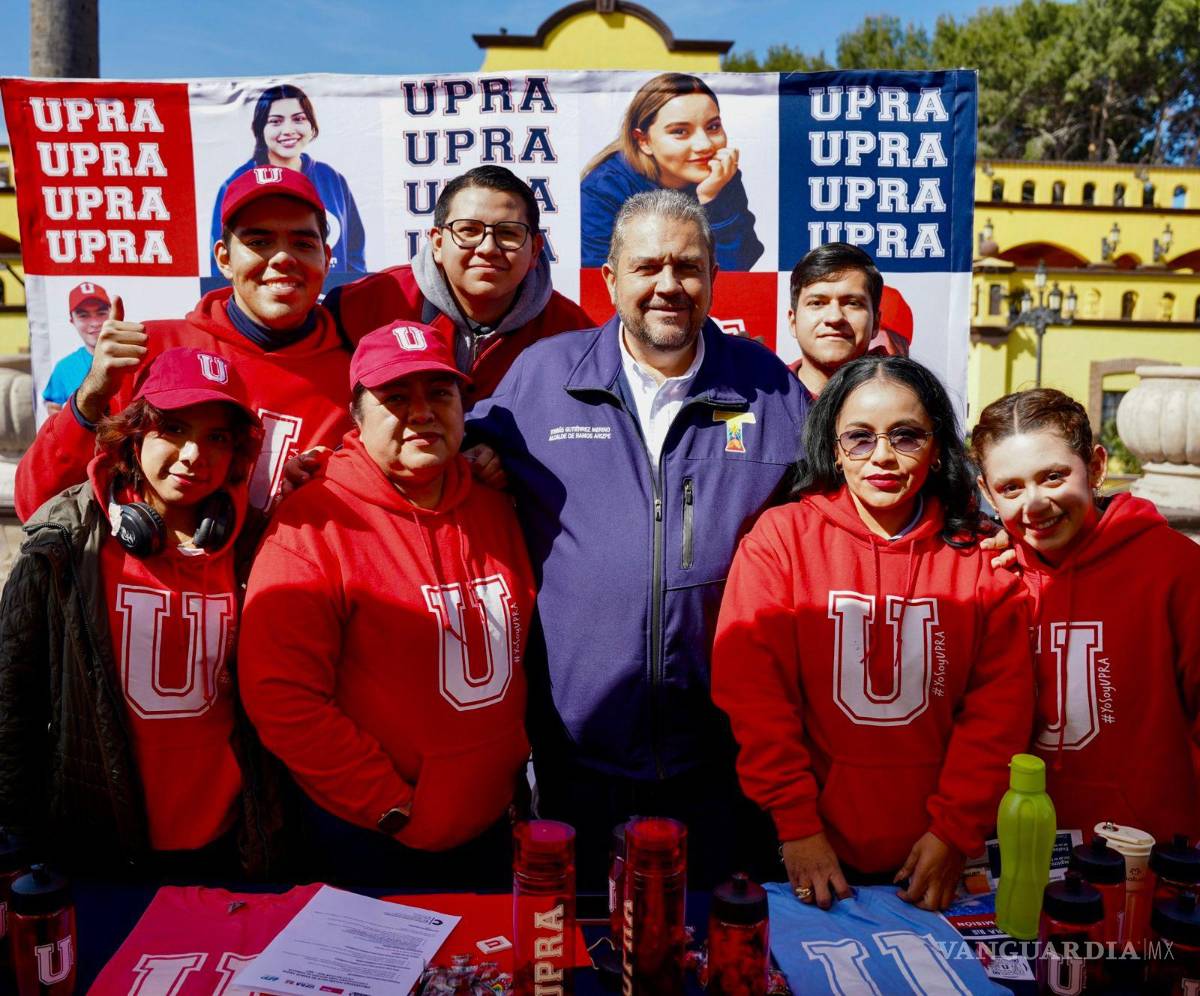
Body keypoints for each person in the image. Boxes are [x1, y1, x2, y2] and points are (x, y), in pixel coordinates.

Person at [468, 189, 808, 887]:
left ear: (713, 277)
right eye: (648, 266)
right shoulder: (542, 378)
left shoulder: (769, 387)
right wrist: (475, 456)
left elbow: (853, 489)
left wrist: (968, 529)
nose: (668, 286)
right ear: (610, 279)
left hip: (722, 762)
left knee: (708, 950)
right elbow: (439, 448)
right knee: (589, 954)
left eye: (688, 267)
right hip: (577, 761)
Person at [712, 355, 1034, 911]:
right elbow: (755, 697)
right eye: (859, 438)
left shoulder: (981, 555)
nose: (882, 456)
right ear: (834, 449)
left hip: (933, 855)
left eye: (906, 436)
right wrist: (796, 825)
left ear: (937, 448)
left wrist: (954, 829)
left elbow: (998, 712)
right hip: (805, 847)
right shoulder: (780, 540)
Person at [238, 321, 536, 888]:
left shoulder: (496, 507)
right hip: (372, 839)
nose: (422, 412)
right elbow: (280, 694)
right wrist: (389, 805)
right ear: (357, 414)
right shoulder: (313, 521)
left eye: (439, 393)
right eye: (395, 397)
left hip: (491, 829)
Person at [0, 348, 271, 875]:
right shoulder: (64, 535)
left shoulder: (257, 542)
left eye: (218, 437)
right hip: (98, 842)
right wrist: (17, 834)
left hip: (227, 843)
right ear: (135, 432)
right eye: (174, 428)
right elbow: (14, 697)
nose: (195, 454)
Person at [16, 167, 354, 521]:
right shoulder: (150, 349)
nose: (283, 257)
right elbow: (37, 506)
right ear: (224, 258)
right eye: (259, 242)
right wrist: (92, 396)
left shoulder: (358, 378)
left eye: (303, 243)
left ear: (325, 256)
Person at [972, 388, 1200, 843]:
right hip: (1013, 851)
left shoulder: (1174, 567)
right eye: (1011, 487)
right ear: (987, 494)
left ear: (1096, 467)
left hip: (1148, 854)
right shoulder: (989, 572)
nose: (1034, 504)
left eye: (1053, 477)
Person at [323, 165, 591, 402]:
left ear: (534, 250)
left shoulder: (573, 333)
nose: (487, 248)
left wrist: (508, 448)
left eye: (508, 233)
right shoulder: (363, 304)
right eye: (469, 231)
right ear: (438, 243)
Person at [581, 73, 763, 272]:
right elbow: (599, 283)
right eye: (680, 131)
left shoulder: (720, 176)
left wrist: (712, 200)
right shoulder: (603, 190)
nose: (705, 145)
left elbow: (737, 272)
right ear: (643, 141)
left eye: (713, 127)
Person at [210, 83, 366, 276]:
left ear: (311, 125)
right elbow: (218, 273)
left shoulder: (332, 179)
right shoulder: (234, 185)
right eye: (276, 121)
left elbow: (354, 254)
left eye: (299, 119)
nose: (288, 130)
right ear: (261, 128)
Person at [786, 243, 883, 400]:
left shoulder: (909, 398)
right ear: (793, 321)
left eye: (852, 303)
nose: (834, 317)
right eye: (817, 303)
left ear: (876, 323)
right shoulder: (762, 393)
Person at [42, 282, 112, 415]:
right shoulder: (64, 368)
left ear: (112, 314)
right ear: (72, 321)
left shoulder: (134, 359)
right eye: (84, 316)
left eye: (101, 313)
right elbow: (53, 409)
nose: (94, 323)